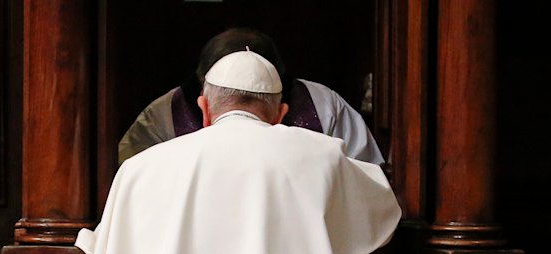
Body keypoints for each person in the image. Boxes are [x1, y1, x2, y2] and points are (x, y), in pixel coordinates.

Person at [75, 49, 401, 254]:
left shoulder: (143, 167)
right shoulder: (325, 155)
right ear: (280, 114)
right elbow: (378, 221)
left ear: (204, 109)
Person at [118, 27, 385, 166]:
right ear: (201, 92)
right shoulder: (166, 113)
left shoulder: (322, 104)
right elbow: (131, 172)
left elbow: (362, 173)